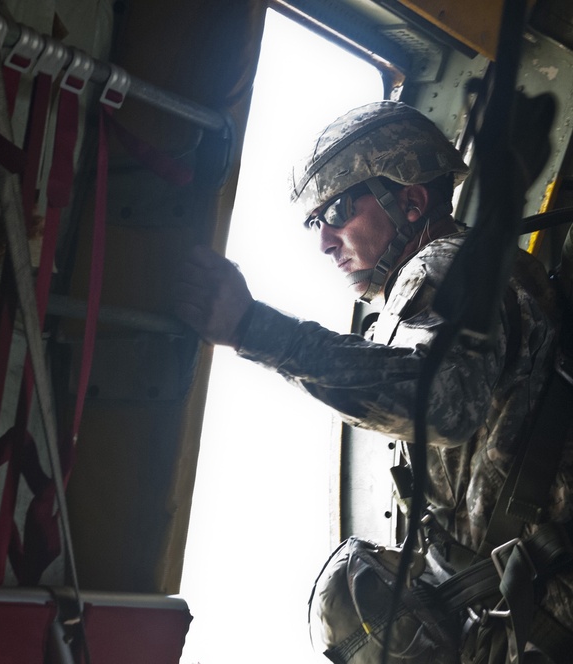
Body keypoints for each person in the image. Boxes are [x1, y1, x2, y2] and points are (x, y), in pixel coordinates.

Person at [172, 100, 573, 658]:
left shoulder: (439, 266)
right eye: (316, 222)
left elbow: (442, 403)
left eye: (336, 211)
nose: (324, 240)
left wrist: (254, 330)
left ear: (410, 201)